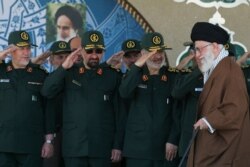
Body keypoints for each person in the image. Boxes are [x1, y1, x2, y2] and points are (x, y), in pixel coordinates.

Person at [41, 30, 125, 167]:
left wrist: (117, 145)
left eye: (98, 51)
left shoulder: (111, 75)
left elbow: (119, 114)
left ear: (103, 52)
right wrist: (63, 67)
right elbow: (47, 91)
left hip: (102, 148)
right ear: (81, 51)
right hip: (74, 148)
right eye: (89, 51)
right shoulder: (68, 73)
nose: (94, 55)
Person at [187, 22, 250, 167]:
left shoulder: (230, 69)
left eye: (199, 49)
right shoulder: (216, 68)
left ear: (215, 47)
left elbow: (236, 108)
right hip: (212, 146)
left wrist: (208, 121)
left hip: (225, 152)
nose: (197, 55)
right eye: (195, 50)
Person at [119, 32, 179, 167]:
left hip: (165, 150)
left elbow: (177, 112)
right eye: (152, 52)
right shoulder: (134, 75)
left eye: (160, 51)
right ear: (143, 53)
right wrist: (137, 66)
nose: (158, 56)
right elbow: (124, 93)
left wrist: (173, 140)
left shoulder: (173, 77)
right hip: (138, 151)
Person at [0, 30, 55, 167]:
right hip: (3, 144)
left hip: (31, 144)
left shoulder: (39, 74)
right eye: (21, 49)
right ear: (11, 51)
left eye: (28, 48)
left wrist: (49, 141)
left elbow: (48, 109)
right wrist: (2, 54)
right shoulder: (1, 70)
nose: (27, 52)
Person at [171, 43, 203, 167]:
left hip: (211, 144)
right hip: (188, 142)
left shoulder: (217, 75)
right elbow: (176, 92)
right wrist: (199, 70)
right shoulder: (186, 76)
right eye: (196, 53)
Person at [43, 41, 71, 167]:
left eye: (67, 57)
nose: (64, 61)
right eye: (60, 57)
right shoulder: (46, 80)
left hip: (74, 135)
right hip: (53, 136)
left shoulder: (79, 79)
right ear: (51, 60)